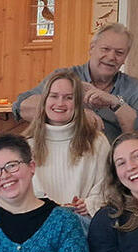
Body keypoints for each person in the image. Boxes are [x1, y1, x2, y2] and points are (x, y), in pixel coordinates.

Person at [14, 23, 138, 142]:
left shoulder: (136, 89)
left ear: (125, 58)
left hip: (114, 165)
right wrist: (77, 115)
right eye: (105, 49)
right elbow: (22, 106)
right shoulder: (64, 77)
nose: (111, 57)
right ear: (92, 48)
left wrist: (115, 103)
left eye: (119, 53)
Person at [24, 69, 112, 222]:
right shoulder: (26, 145)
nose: (60, 103)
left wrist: (90, 204)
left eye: (68, 98)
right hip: (38, 223)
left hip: (82, 221)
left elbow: (108, 187)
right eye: (54, 96)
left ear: (78, 104)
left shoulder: (97, 142)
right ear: (44, 100)